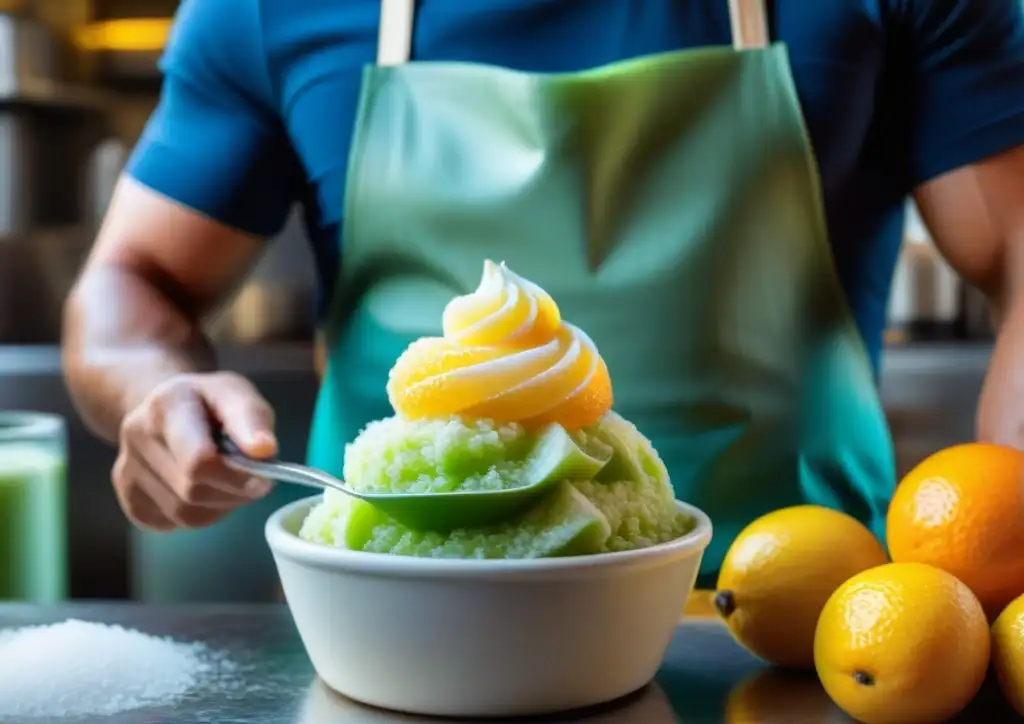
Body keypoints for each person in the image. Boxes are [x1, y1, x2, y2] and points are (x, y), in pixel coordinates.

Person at [63, 0, 1024, 583]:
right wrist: (154, 389)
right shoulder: (266, 9)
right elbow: (131, 280)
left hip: (798, 628)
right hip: (397, 622)